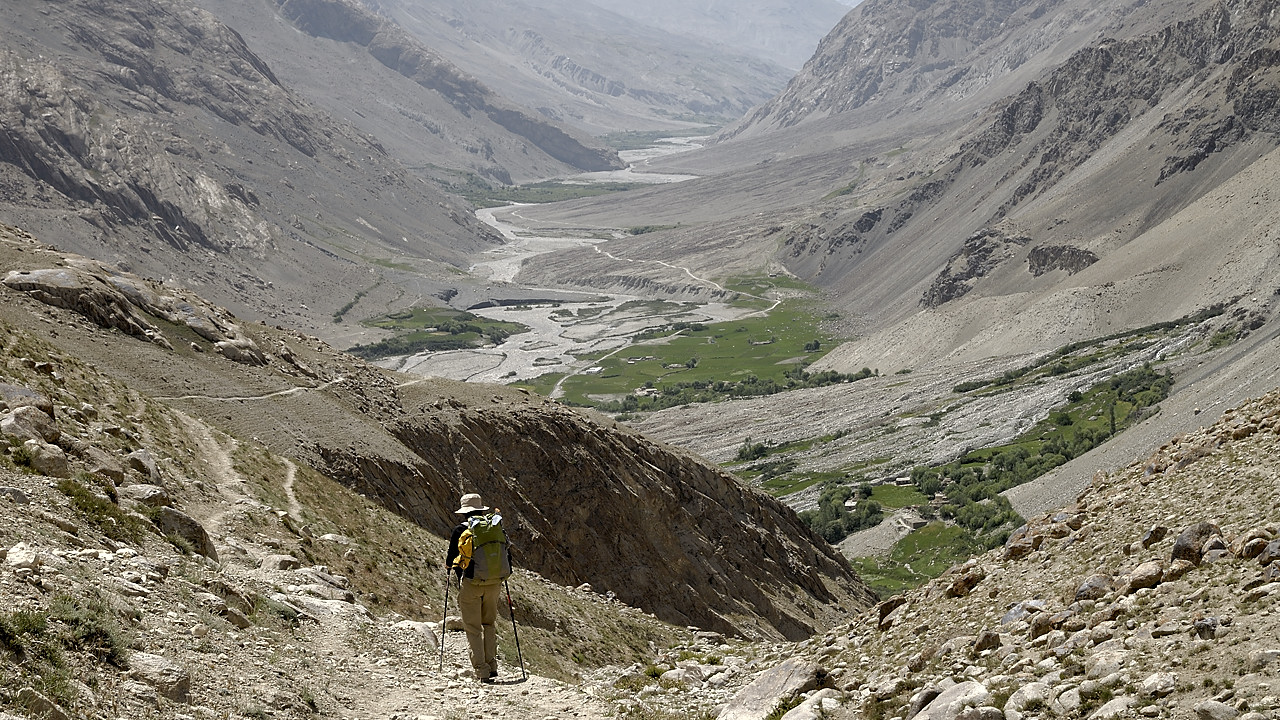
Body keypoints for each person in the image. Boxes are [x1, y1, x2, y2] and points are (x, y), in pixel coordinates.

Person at [446, 492, 507, 682]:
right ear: (481, 509)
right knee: (489, 623)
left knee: (473, 627)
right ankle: (493, 665)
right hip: (494, 583)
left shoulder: (460, 530)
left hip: (471, 583)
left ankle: (482, 670)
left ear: (464, 512)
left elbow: (450, 561)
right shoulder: (495, 526)